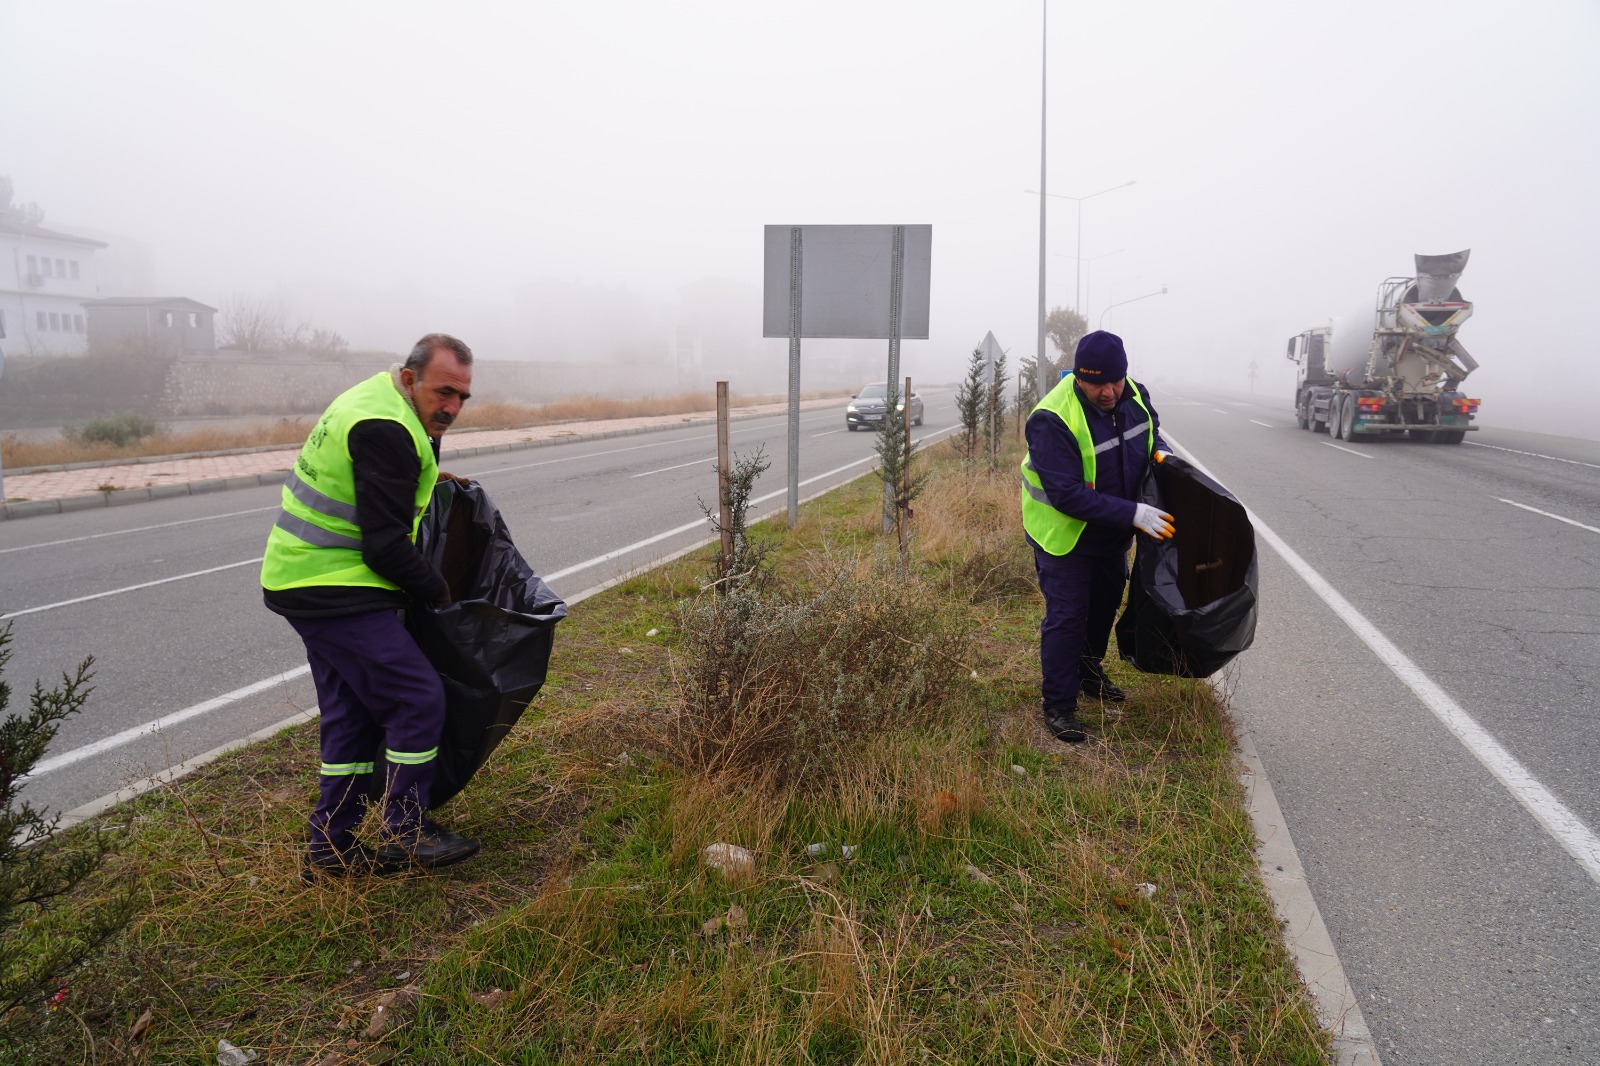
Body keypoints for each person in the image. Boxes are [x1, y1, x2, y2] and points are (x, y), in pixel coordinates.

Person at [261, 333, 481, 879]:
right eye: (444, 392)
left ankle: (329, 849)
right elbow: (384, 547)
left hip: (300, 577)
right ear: (410, 378)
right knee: (417, 698)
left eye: (462, 397)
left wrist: (429, 477)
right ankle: (406, 831)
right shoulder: (386, 427)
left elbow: (374, 486)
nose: (452, 407)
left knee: (351, 716)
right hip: (335, 586)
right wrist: (439, 591)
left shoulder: (375, 400)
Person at [1019, 330, 1174, 743]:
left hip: (1112, 531)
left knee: (1104, 605)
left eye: (1115, 381)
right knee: (1068, 617)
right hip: (1065, 536)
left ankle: (1089, 672)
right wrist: (1135, 513)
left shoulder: (1135, 395)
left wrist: (1161, 455)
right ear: (1079, 377)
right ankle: (1059, 705)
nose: (1108, 392)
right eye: (1097, 384)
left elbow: (1151, 433)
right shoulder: (1052, 419)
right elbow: (1066, 495)